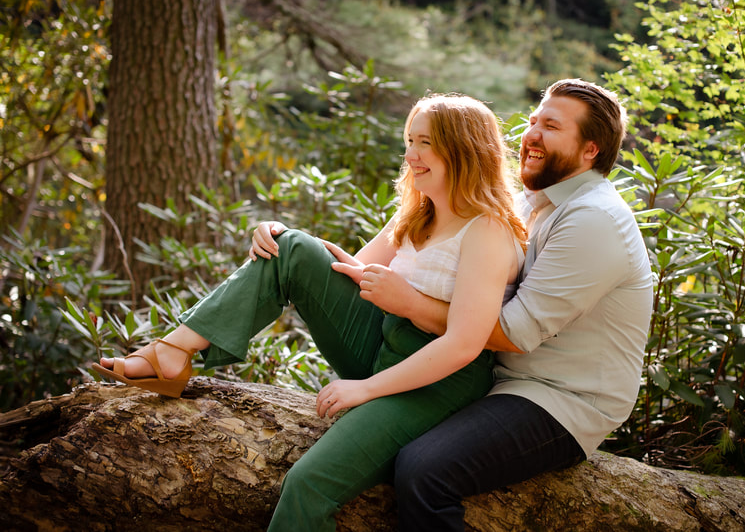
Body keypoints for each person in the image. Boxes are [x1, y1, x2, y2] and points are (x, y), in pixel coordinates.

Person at [92, 94, 528, 531]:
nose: (411, 155)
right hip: (386, 338)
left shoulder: (487, 230)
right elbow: (347, 271)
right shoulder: (418, 212)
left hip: (439, 380)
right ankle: (173, 351)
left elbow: (465, 344)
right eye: (410, 141)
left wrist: (366, 389)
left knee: (307, 484)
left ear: (464, 150)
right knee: (293, 247)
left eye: (426, 144)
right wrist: (279, 241)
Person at [348, 79, 654, 531]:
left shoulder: (595, 219)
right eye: (533, 121)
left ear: (590, 150)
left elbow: (509, 334)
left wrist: (411, 302)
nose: (530, 134)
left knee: (423, 469)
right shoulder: (533, 200)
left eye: (550, 126)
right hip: (491, 374)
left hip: (558, 398)